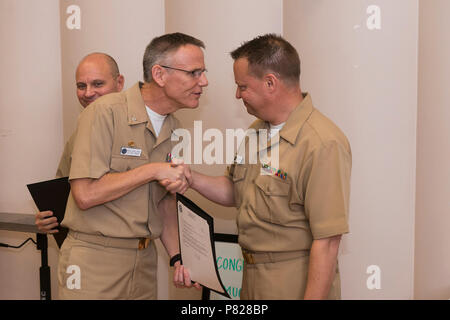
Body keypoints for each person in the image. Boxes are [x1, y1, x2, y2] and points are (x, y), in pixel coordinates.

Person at [166, 34, 352, 299]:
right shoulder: (256, 131)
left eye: (242, 86)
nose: (237, 94)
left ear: (270, 83)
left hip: (293, 282)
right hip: (251, 279)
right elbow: (235, 191)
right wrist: (190, 178)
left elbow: (328, 241)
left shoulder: (322, 143)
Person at [57, 32, 207, 299]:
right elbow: (85, 194)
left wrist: (176, 257)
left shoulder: (175, 128)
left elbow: (162, 203)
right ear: (159, 75)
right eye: (194, 73)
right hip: (95, 264)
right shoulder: (104, 112)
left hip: (144, 263)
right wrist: (152, 169)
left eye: (202, 72)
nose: (203, 82)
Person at [35, 52, 125, 234]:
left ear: (119, 83)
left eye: (98, 84)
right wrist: (48, 217)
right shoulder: (78, 135)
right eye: (81, 86)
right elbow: (61, 189)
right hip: (81, 246)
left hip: (128, 247)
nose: (88, 93)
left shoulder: (136, 127)